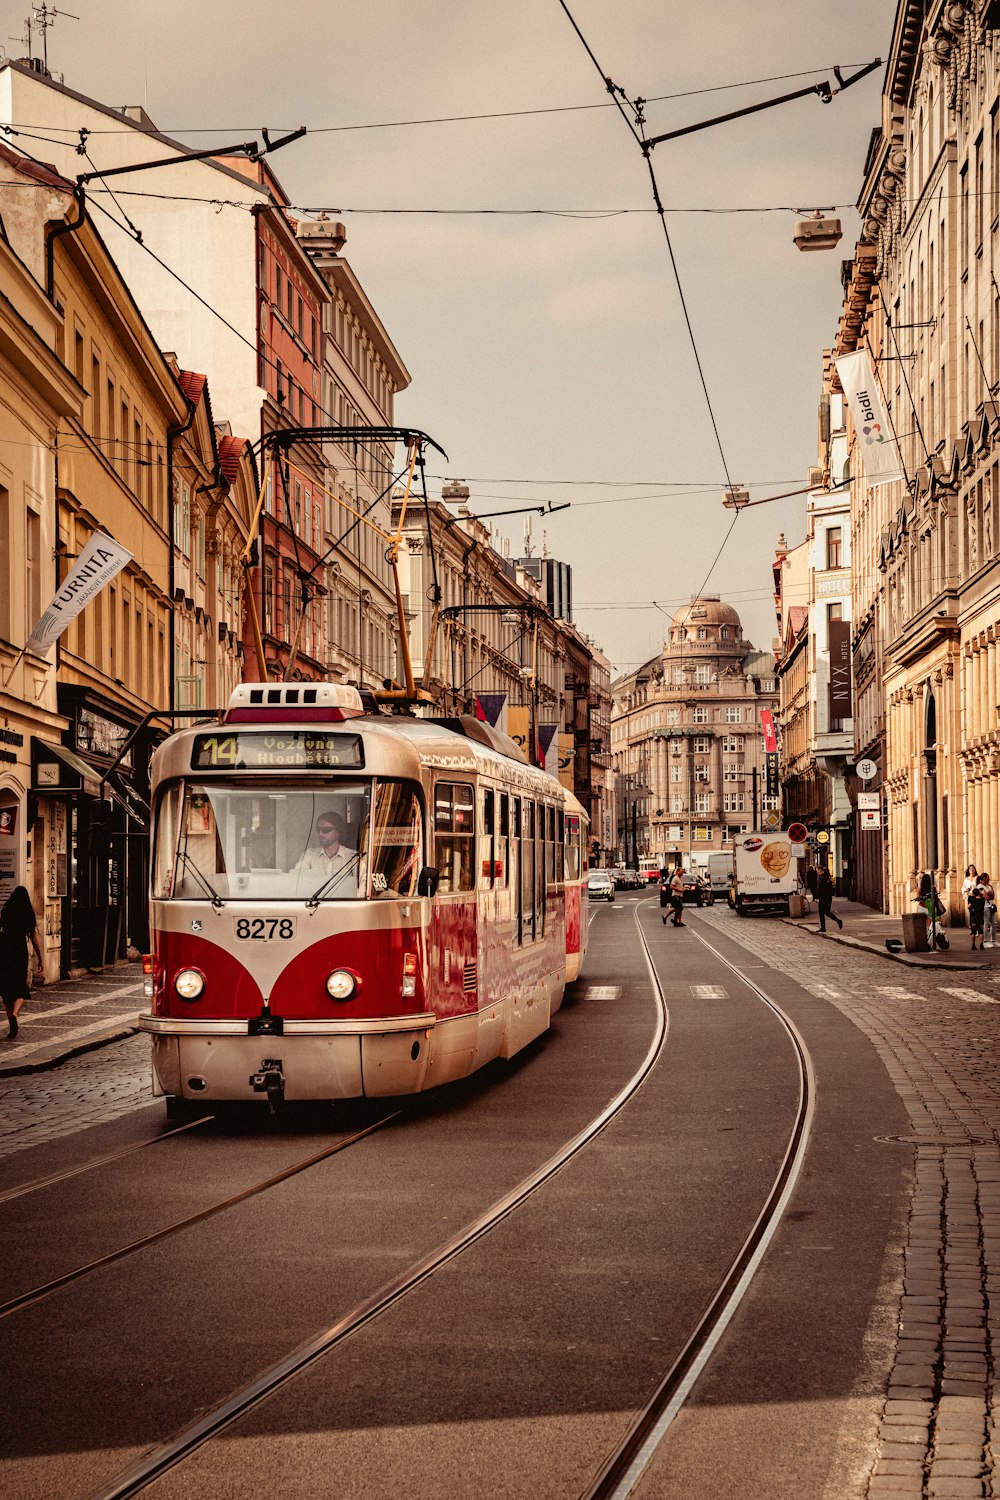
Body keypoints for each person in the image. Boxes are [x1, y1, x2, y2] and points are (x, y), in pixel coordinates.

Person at [0, 885, 43, 1040]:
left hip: (4, 951)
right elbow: (34, 939)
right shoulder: (27, 914)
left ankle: (10, 1020)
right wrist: (40, 959)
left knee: (6, 988)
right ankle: (15, 1015)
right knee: (20, 987)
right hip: (19, 951)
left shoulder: (5, 912)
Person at [295, 812, 359, 893]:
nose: (320, 834)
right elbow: (298, 880)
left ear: (338, 832)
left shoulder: (353, 857)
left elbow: (359, 888)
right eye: (318, 830)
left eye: (326, 830)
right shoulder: (310, 855)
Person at [816, 867, 842, 933]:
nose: (817, 872)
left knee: (822, 913)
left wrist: (817, 897)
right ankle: (838, 921)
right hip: (828, 897)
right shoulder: (827, 877)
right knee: (827, 912)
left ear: (820, 870)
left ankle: (823, 928)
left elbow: (819, 889)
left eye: (817, 870)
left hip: (823, 898)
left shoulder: (821, 878)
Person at [968, 877, 987, 950]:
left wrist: (971, 908)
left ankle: (973, 945)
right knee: (981, 931)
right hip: (980, 917)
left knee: (973, 931)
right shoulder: (982, 900)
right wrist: (982, 893)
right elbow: (984, 897)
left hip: (974, 917)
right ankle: (981, 944)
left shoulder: (973, 900)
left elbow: (968, 906)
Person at [979, 872, 996, 949]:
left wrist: (991, 888)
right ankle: (985, 941)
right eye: (987, 877)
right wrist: (988, 894)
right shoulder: (980, 886)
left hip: (991, 906)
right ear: (984, 878)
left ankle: (993, 940)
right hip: (985, 907)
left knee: (993, 923)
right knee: (986, 924)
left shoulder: (988, 886)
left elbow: (992, 896)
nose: (989, 879)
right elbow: (986, 897)